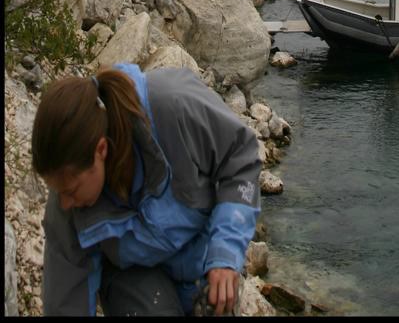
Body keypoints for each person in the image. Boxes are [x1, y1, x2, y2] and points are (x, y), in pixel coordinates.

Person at [31, 62, 262, 316]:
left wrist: (225, 254)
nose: (65, 203)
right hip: (135, 280)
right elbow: (65, 301)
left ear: (101, 151)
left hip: (204, 261)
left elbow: (241, 160)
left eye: (71, 191)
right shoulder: (69, 201)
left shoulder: (174, 105)